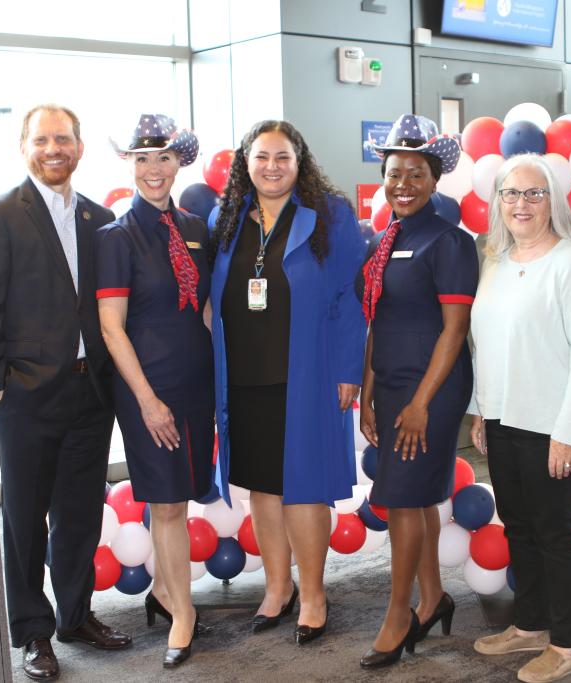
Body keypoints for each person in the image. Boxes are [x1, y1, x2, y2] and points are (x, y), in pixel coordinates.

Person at [0, 104, 131, 681]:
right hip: (27, 399)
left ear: (80, 148)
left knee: (80, 514)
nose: (53, 148)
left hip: (91, 395)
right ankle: (33, 631)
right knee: (26, 520)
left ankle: (77, 615)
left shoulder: (100, 218)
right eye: (42, 140)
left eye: (63, 139)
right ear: (25, 147)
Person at [211, 120, 366, 645]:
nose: (271, 167)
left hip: (308, 371)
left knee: (304, 486)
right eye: (262, 157)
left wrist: (349, 368)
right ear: (245, 161)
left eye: (282, 157)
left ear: (300, 161)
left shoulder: (329, 215)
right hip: (245, 375)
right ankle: (277, 588)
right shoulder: (227, 217)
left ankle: (315, 594)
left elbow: (351, 294)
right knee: (262, 485)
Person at [467, 154, 571, 683]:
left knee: (554, 531)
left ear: (554, 201)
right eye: (511, 193)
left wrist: (569, 434)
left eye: (533, 193)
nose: (521, 204)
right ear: (497, 201)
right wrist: (481, 409)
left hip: (555, 423)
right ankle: (529, 624)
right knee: (520, 526)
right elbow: (487, 344)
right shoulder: (496, 262)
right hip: (505, 414)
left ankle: (568, 644)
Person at [357, 114, 478, 668]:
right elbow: (376, 322)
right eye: (393, 172)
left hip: (433, 386)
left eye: (415, 173)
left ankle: (398, 613)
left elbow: (454, 330)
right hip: (392, 382)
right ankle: (432, 599)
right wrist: (368, 391)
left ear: (435, 180)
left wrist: (420, 403)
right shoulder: (386, 238)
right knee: (418, 497)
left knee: (401, 499)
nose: (402, 183)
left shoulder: (449, 240)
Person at [95, 115, 213, 669]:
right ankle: (183, 616)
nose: (153, 169)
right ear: (130, 165)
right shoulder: (116, 238)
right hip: (150, 387)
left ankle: (166, 593)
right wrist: (146, 400)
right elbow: (110, 327)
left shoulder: (195, 226)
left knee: (182, 494)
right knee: (166, 504)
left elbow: (206, 308)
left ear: (178, 162)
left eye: (163, 157)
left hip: (195, 381)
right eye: (142, 159)